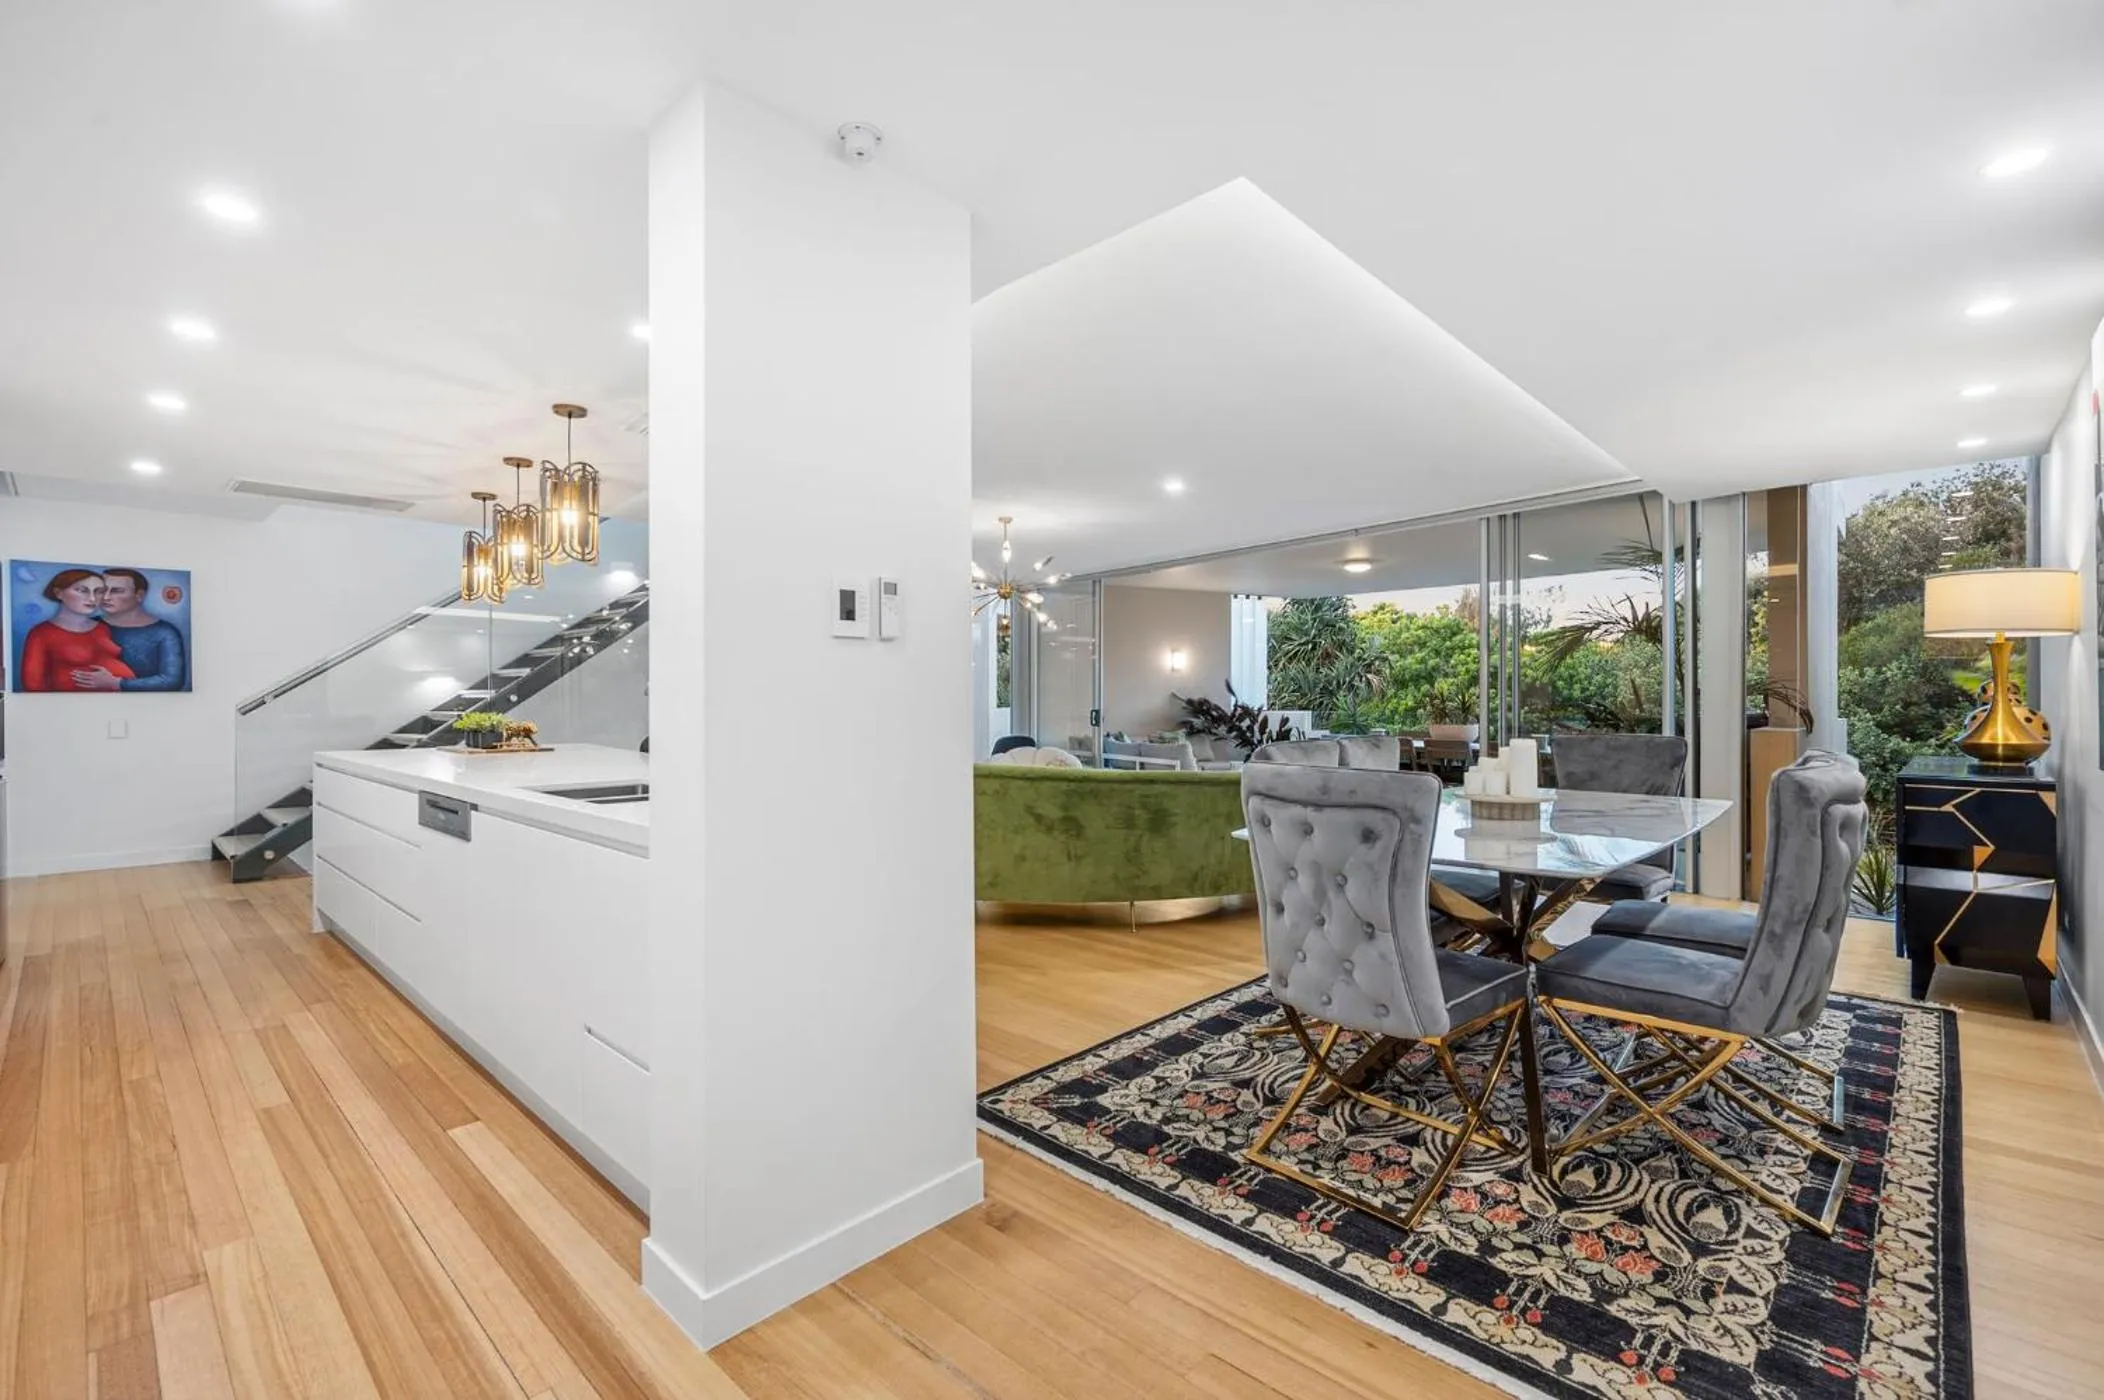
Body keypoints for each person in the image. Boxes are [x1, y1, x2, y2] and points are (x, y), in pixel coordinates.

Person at [69, 567, 187, 692]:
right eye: (102, 590)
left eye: (116, 591)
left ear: (139, 595)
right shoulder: (86, 625)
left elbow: (172, 681)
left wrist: (117, 683)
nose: (106, 597)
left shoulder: (165, 632)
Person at [18, 569, 135, 692]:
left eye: (98, 591)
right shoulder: (41, 633)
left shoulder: (102, 628)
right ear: (58, 593)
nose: (92, 598)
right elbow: (33, 684)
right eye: (82, 590)